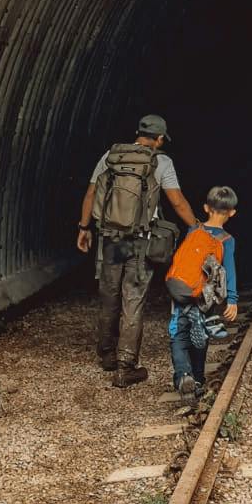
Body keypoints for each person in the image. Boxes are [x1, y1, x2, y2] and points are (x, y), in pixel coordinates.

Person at [76, 114, 197, 388]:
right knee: (134, 299)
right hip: (140, 240)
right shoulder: (161, 161)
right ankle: (126, 366)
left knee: (109, 294)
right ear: (160, 138)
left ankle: (106, 354)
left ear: (138, 133)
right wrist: (198, 228)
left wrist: (84, 228)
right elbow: (177, 202)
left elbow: (91, 195)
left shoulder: (111, 156)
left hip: (110, 240)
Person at [167, 187, 239, 408]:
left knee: (178, 334)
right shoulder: (227, 240)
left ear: (206, 208)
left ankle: (183, 375)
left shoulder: (193, 230)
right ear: (232, 213)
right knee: (202, 333)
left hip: (182, 290)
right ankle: (197, 379)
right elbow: (229, 270)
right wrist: (232, 300)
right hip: (205, 297)